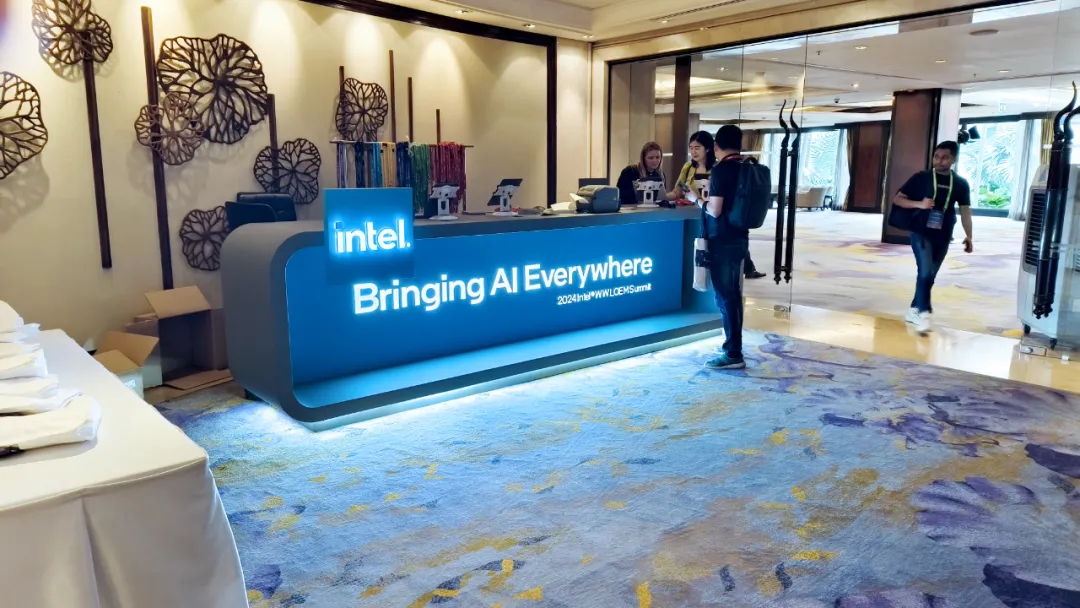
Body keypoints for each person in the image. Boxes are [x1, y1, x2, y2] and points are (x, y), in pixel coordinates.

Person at [893, 140, 974, 333]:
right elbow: (898, 199)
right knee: (925, 271)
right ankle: (924, 312)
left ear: (954, 159)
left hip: (944, 233)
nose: (939, 161)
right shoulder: (921, 178)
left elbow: (965, 211)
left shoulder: (960, 184)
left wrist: (969, 236)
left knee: (930, 275)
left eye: (945, 157)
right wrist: (920, 204)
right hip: (921, 231)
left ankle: (914, 309)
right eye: (936, 156)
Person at [670, 131, 767, 280]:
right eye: (691, 148)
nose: (693, 152)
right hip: (695, 212)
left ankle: (747, 268)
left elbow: (721, 201)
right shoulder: (688, 167)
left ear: (709, 148)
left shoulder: (719, 168)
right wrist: (665, 196)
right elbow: (678, 189)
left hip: (715, 216)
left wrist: (699, 198)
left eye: (697, 148)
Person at [703, 125, 751, 370]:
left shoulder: (721, 170)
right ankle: (734, 347)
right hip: (741, 237)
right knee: (733, 294)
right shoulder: (747, 168)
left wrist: (697, 200)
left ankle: (733, 353)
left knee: (725, 295)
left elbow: (715, 210)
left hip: (722, 239)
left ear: (715, 147)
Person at [616, 142, 665, 207]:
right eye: (651, 158)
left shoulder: (660, 175)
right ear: (643, 159)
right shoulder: (630, 171)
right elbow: (620, 195)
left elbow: (661, 198)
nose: (655, 161)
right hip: (631, 209)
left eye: (657, 157)